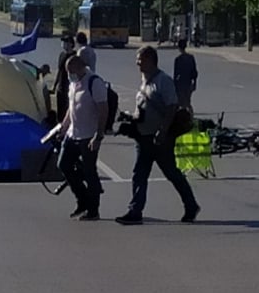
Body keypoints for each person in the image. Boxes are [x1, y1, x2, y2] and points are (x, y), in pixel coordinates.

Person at [115, 45, 200, 226]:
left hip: (160, 138)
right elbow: (143, 109)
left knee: (172, 174)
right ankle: (135, 211)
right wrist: (130, 118)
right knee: (139, 174)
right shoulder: (144, 82)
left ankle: (191, 206)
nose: (137, 63)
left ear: (150, 60)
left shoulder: (163, 81)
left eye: (140, 59)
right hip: (143, 137)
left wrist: (163, 130)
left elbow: (171, 107)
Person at [57, 53, 109, 221]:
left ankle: (93, 209)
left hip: (89, 135)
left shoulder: (94, 82)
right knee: (63, 164)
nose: (69, 75)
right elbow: (71, 109)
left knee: (89, 171)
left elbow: (103, 110)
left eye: (71, 71)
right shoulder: (74, 83)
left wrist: (98, 135)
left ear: (80, 67)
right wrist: (63, 128)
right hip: (73, 133)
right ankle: (82, 199)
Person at [52, 35, 76, 121]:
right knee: (60, 111)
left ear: (70, 44)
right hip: (61, 87)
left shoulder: (74, 56)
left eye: (66, 42)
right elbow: (59, 70)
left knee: (68, 110)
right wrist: (55, 85)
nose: (63, 44)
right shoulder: (62, 55)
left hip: (69, 87)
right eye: (63, 42)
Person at [172, 38, 198, 109]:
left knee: (180, 103)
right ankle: (190, 116)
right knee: (187, 102)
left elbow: (176, 74)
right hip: (188, 83)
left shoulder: (178, 59)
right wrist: (195, 83)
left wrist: (174, 85)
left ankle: (184, 117)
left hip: (180, 84)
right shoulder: (191, 58)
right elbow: (194, 72)